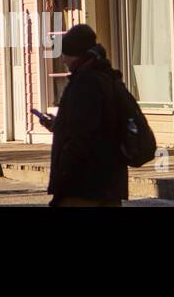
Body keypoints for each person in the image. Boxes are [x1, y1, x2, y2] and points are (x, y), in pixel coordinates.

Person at [42, 25, 128, 207]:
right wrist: (57, 125)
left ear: (76, 55)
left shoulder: (84, 84)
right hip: (110, 181)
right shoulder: (109, 78)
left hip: (83, 184)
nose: (64, 60)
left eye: (66, 54)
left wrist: (64, 180)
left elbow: (80, 135)